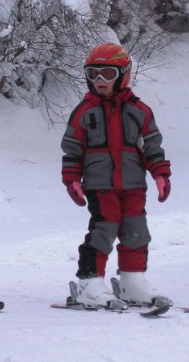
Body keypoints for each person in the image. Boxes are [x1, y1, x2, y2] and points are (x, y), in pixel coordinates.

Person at [61, 43, 172, 308]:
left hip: (133, 184)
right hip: (100, 185)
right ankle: (89, 283)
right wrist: (72, 180)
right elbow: (72, 149)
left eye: (108, 74)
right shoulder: (83, 112)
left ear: (124, 75)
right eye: (93, 74)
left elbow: (152, 145)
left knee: (136, 231)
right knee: (104, 229)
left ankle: (132, 281)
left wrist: (160, 174)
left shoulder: (139, 111)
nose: (100, 81)